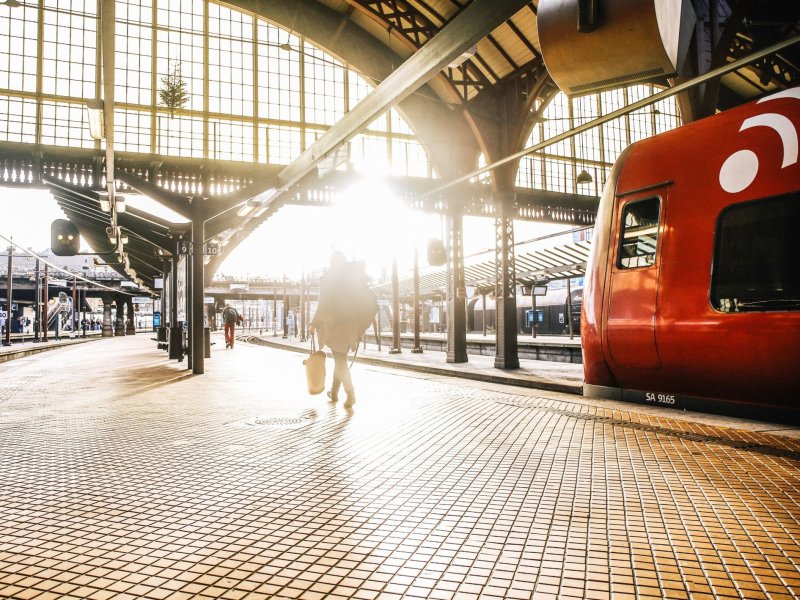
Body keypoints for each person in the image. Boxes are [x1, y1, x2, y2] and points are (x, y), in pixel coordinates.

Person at [309, 252, 378, 410]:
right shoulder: (351, 279)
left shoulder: (330, 280)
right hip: (352, 328)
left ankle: (350, 395)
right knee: (340, 359)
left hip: (337, 327)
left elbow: (323, 304)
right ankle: (334, 393)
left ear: (332, 263)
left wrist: (313, 324)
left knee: (340, 362)